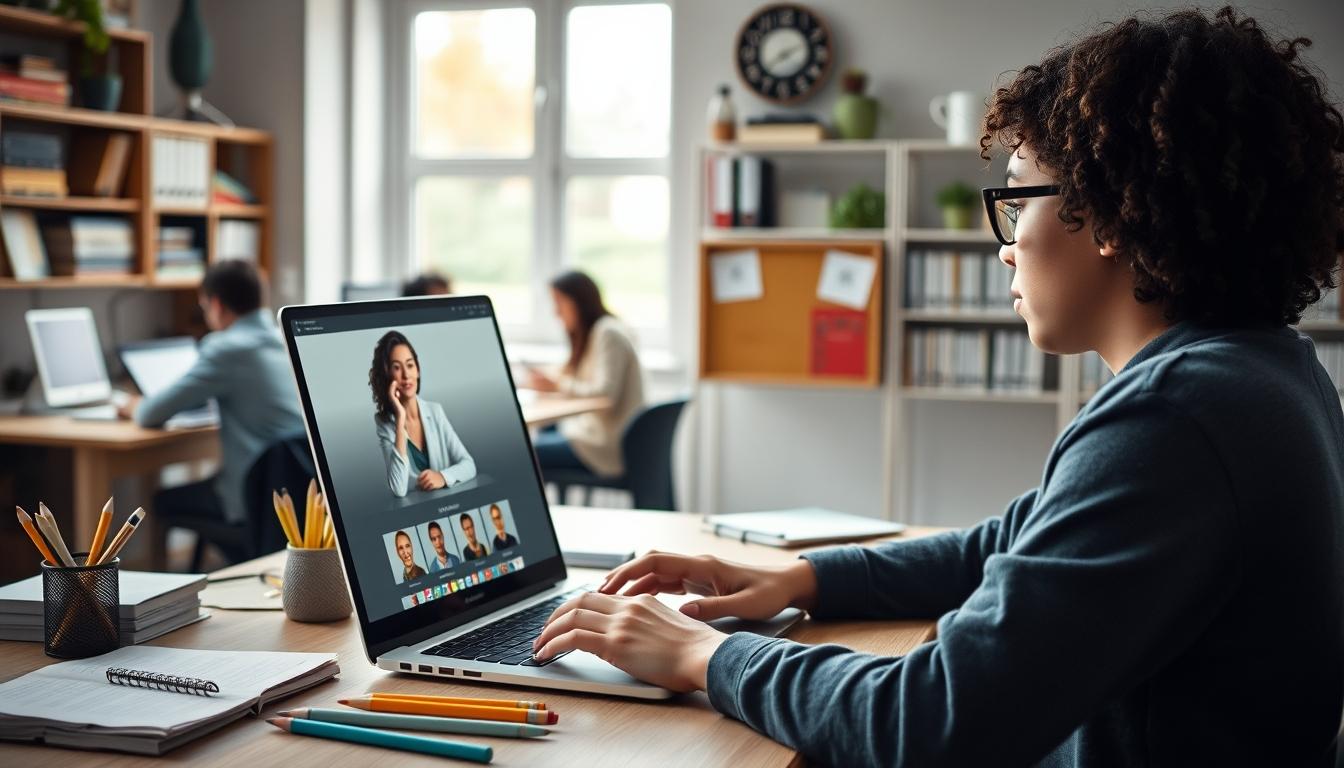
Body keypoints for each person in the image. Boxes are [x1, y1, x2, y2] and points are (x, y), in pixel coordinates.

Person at [531, 8, 1344, 765]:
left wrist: (701, 653)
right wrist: (802, 580)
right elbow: (1013, 540)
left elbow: (930, 720)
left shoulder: (1178, 418)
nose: (1005, 246)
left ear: (1109, 214)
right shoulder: (1269, 370)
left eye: (1018, 194)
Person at [118, 260, 305, 552]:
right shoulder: (283, 339)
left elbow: (151, 414)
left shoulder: (225, 348)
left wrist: (132, 405)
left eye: (204, 307)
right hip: (299, 493)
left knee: (162, 501)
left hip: (254, 497)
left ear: (216, 304)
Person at [527, 271, 645, 479]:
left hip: (604, 445)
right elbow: (570, 372)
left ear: (577, 302)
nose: (556, 312)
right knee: (540, 436)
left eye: (559, 303)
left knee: (526, 454)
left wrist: (557, 385)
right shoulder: (594, 333)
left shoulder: (607, 333)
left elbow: (605, 393)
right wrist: (548, 379)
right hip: (590, 435)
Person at [369, 330, 477, 498]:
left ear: (418, 370)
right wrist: (400, 419)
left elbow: (469, 465)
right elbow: (398, 488)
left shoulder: (435, 411)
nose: (406, 375)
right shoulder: (384, 423)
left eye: (410, 365)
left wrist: (442, 476)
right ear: (387, 376)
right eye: (397, 368)